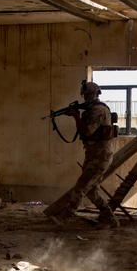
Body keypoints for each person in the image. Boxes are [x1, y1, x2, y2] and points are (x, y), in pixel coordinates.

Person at [49, 81, 120, 229]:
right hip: (93, 156)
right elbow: (84, 132)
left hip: (100, 157)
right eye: (85, 94)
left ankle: (64, 219)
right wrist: (77, 115)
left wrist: (75, 115)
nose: (86, 96)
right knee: (92, 191)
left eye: (89, 93)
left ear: (97, 93)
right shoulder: (90, 109)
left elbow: (87, 131)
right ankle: (112, 220)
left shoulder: (99, 109)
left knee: (80, 188)